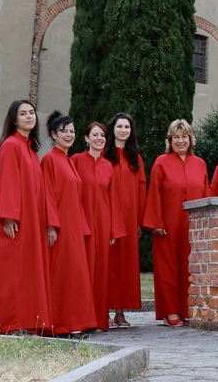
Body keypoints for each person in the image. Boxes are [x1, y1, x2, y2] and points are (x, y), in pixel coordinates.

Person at [0, 100, 52, 334]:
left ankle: (27, 320)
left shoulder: (30, 149)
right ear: (14, 119)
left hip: (32, 219)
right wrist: (9, 216)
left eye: (32, 112)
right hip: (16, 220)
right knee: (13, 270)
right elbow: (8, 182)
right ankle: (10, 323)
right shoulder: (11, 145)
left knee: (27, 270)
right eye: (23, 113)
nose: (29, 116)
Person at [143, 119, 209, 326]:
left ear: (191, 139)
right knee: (168, 268)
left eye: (184, 137)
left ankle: (188, 309)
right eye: (176, 137)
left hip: (193, 227)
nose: (180, 141)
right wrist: (156, 222)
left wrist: (207, 224)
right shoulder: (161, 162)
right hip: (167, 225)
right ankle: (170, 311)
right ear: (170, 141)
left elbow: (206, 194)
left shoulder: (200, 164)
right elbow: (153, 192)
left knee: (190, 268)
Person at [40, 111, 98, 336]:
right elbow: (47, 194)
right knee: (61, 274)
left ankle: (76, 323)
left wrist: (83, 227)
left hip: (74, 227)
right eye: (64, 131)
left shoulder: (68, 160)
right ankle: (59, 325)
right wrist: (51, 225)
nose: (69, 134)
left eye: (72, 131)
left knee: (76, 275)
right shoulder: (49, 160)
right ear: (54, 134)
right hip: (60, 227)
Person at [72, 122, 124, 331]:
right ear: (86, 139)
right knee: (82, 271)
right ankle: (80, 318)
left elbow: (112, 199)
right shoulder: (76, 161)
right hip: (80, 222)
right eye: (95, 135)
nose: (99, 138)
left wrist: (113, 229)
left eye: (102, 135)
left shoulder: (108, 166)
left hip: (103, 224)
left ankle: (98, 319)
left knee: (101, 272)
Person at [106, 112, 147, 328]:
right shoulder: (104, 154)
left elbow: (141, 189)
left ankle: (120, 312)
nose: (123, 130)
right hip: (107, 216)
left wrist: (139, 220)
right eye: (120, 126)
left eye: (127, 127)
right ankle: (101, 309)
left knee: (124, 266)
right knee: (106, 263)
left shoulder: (135, 158)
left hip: (129, 218)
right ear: (113, 129)